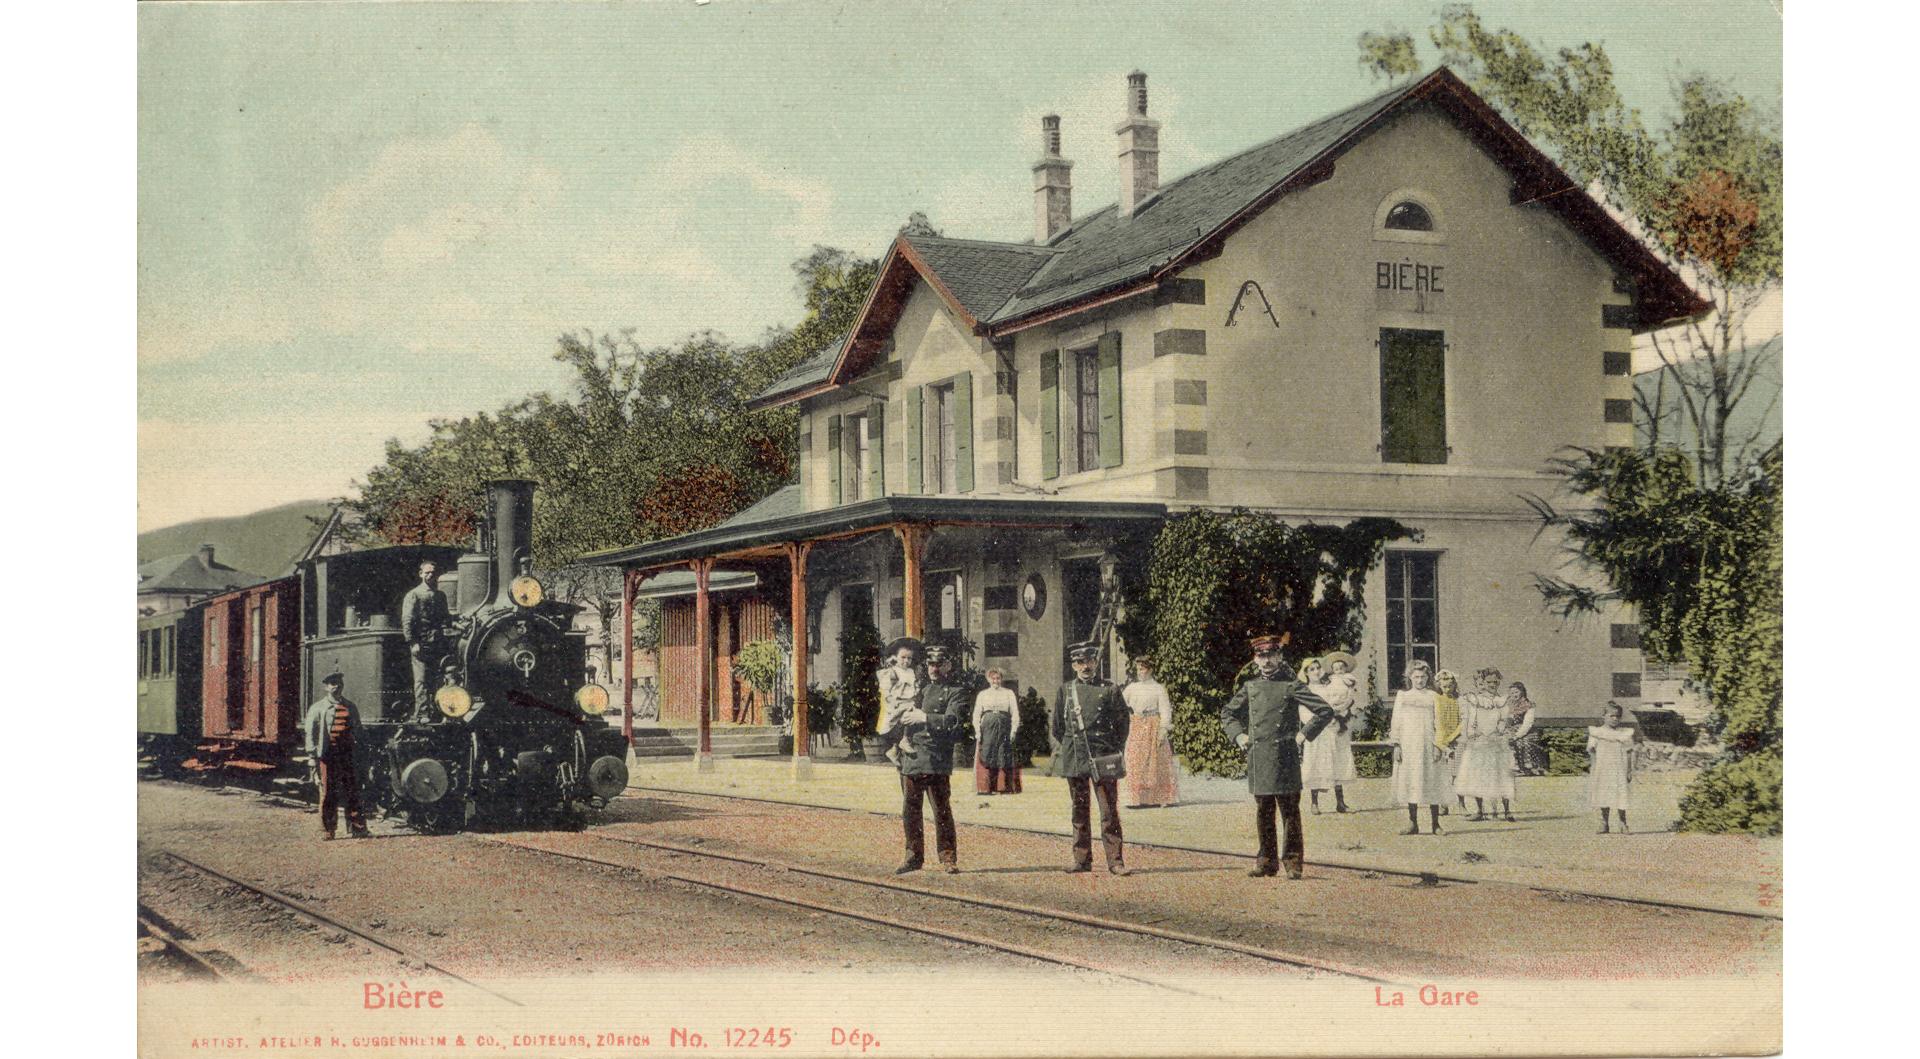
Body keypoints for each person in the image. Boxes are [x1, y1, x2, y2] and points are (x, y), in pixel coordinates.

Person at [1220, 635, 1337, 878]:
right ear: (1255, 659)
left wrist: (1304, 734)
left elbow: (1325, 710)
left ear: (1279, 656)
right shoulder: (1250, 687)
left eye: (1271, 655)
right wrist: (1239, 736)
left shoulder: (1291, 685)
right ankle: (1266, 862)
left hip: (1285, 757)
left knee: (1290, 812)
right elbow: (1227, 714)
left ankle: (1293, 863)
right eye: (1261, 656)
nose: (1266, 661)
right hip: (1259, 755)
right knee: (1263, 810)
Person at [1051, 641, 1132, 875]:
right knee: (1079, 810)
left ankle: (1115, 861)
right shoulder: (1066, 691)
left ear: (1096, 662)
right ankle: (1081, 859)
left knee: (1108, 811)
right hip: (1076, 757)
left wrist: (1111, 749)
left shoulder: (1110, 690)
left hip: (1103, 756)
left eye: (1089, 661)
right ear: (1074, 665)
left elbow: (1122, 725)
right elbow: (1058, 727)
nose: (1085, 666)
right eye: (1079, 662)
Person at [891, 643, 967, 874]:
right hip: (912, 757)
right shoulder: (919, 689)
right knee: (910, 810)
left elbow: (953, 721)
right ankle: (913, 857)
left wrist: (924, 717)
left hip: (936, 758)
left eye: (939, 664)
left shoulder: (957, 691)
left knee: (941, 810)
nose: (934, 668)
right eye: (931, 664)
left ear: (948, 665)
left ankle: (948, 857)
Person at [302, 672, 369, 840]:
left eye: (338, 683)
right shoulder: (317, 708)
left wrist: (360, 752)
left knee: (353, 791)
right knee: (328, 793)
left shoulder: (350, 707)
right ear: (326, 687)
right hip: (328, 756)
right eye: (332, 683)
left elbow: (358, 731)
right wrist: (312, 756)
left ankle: (358, 828)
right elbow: (310, 733)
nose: (336, 686)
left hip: (347, 756)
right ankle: (328, 829)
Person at [1389, 659, 1450, 835]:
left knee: (1432, 781)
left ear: (1428, 678)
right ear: (1410, 677)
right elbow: (1396, 721)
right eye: (1416, 677)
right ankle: (1412, 823)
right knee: (1411, 781)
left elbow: (1439, 722)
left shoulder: (1433, 696)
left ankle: (1435, 824)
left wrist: (1438, 746)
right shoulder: (1403, 696)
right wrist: (1397, 745)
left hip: (1428, 743)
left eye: (1423, 677)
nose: (1420, 680)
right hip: (1409, 745)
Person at [1453, 667, 1516, 821]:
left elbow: (1504, 720)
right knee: (1478, 775)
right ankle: (1480, 811)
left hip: (1496, 741)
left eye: (1495, 682)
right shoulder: (1475, 700)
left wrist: (1498, 732)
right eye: (1489, 682)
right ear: (1483, 682)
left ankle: (1507, 811)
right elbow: (1470, 720)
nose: (1492, 684)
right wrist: (1473, 734)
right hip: (1479, 742)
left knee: (1501, 774)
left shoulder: (1502, 701)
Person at [1303, 650, 1361, 814]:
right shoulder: (1306, 690)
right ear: (1306, 673)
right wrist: (1317, 723)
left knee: (1337, 761)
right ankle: (1314, 802)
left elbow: (1338, 702)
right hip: (1317, 731)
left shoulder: (1328, 686)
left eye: (1317, 668)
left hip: (1333, 728)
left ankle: (1340, 802)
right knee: (1316, 763)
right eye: (1312, 669)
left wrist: (1340, 715)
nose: (1316, 671)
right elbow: (1305, 712)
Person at [1120, 656, 1178, 808]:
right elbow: (1120, 704)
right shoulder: (1132, 688)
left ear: (1150, 670)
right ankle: (1136, 799)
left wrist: (1163, 729)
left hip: (1153, 725)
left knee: (1157, 761)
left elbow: (1165, 710)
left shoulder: (1158, 688)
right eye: (1138, 669)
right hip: (1136, 726)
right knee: (1135, 761)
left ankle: (1160, 798)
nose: (1140, 672)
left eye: (1143, 669)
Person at [401, 561, 456, 718]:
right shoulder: (414, 594)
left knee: (438, 678)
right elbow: (407, 620)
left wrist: (457, 623)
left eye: (433, 572)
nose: (430, 575)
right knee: (422, 680)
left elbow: (445, 618)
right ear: (421, 574)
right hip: (421, 643)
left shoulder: (440, 595)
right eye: (427, 572)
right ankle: (423, 714)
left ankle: (439, 711)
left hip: (438, 644)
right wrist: (413, 643)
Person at [971, 668, 1023, 795]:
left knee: (1003, 754)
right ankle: (986, 787)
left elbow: (1015, 712)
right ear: (988, 679)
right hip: (987, 728)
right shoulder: (983, 694)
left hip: (1004, 727)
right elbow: (977, 714)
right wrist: (977, 731)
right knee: (988, 754)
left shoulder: (1008, 693)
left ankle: (1004, 787)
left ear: (1001, 679)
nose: (996, 681)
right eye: (993, 678)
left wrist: (1013, 730)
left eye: (998, 678)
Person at [1588, 702, 1637, 834]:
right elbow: (1592, 751)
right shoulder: (1597, 733)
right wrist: (1593, 767)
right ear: (1604, 716)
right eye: (1612, 716)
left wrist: (1629, 770)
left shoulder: (1624, 734)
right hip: (1603, 768)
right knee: (1603, 794)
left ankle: (1623, 822)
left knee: (1621, 794)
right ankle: (1604, 822)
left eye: (1618, 716)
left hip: (1619, 769)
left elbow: (1629, 752)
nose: (1615, 719)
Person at [876, 637, 924, 765]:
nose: (906, 661)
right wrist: (891, 701)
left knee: (914, 715)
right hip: (897, 702)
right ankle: (902, 741)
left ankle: (895, 748)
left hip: (909, 700)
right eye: (903, 657)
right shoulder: (892, 672)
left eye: (909, 658)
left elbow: (914, 686)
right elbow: (885, 689)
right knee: (908, 715)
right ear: (895, 657)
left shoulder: (910, 672)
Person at [1434, 669, 1465, 813]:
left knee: (1456, 773)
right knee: (1442, 774)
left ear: (1454, 685)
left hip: (1456, 739)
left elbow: (1463, 722)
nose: (1447, 689)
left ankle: (1461, 803)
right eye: (1444, 686)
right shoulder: (1436, 699)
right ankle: (1443, 804)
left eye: (1450, 686)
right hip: (1440, 739)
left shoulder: (1459, 700)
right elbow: (1437, 721)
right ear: (1439, 686)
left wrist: (1452, 737)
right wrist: (1442, 740)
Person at [1505, 682, 1546, 777]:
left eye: (1516, 692)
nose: (1514, 695)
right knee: (1505, 740)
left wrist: (1516, 736)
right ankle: (1514, 767)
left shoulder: (1529, 705)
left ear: (1522, 692)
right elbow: (1508, 720)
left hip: (1527, 731)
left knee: (1523, 742)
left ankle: (1529, 767)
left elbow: (1527, 724)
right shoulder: (1510, 706)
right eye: (1511, 693)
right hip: (1512, 730)